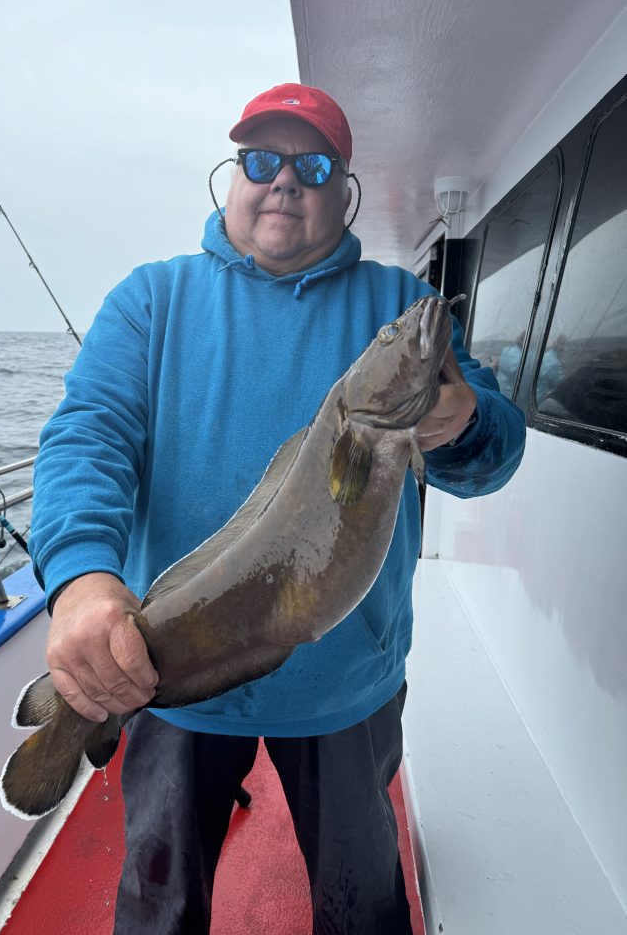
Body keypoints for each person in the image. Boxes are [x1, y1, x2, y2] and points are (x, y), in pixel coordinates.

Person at [29, 83, 526, 935]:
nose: (285, 182)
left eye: (314, 164)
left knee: (363, 908)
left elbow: (495, 457)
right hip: (172, 673)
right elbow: (88, 439)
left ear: (344, 192)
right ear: (232, 176)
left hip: (347, 688)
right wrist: (81, 578)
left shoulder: (395, 306)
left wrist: (461, 422)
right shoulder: (151, 301)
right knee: (159, 906)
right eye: (263, 161)